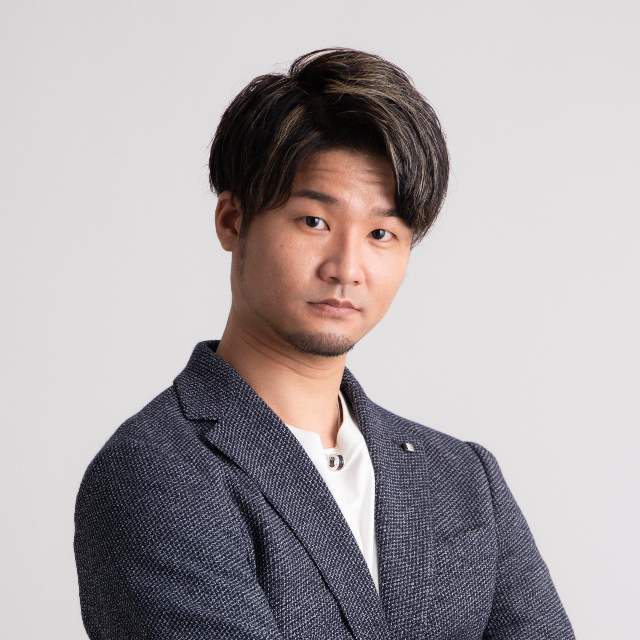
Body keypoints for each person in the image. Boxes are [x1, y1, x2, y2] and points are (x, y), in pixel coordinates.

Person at [74, 48, 575, 640]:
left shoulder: (463, 477)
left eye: (381, 233)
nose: (346, 268)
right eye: (315, 221)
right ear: (233, 220)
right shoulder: (157, 470)